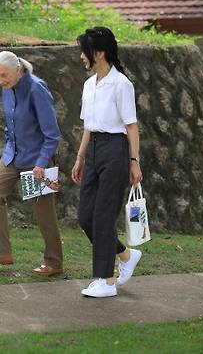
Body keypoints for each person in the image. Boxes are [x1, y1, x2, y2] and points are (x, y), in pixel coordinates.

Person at [0, 51, 63, 277]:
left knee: (43, 211)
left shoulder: (36, 89)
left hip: (37, 160)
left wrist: (42, 163)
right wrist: (8, 143)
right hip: (13, 156)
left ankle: (54, 262)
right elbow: (10, 123)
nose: (0, 80)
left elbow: (52, 134)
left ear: (18, 70)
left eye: (3, 75)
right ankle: (1, 253)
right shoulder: (8, 89)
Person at [71, 26, 143, 298]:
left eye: (84, 51)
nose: (81, 56)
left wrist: (134, 161)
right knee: (86, 217)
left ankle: (106, 281)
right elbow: (88, 126)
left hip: (115, 150)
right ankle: (125, 255)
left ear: (98, 53)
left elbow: (131, 127)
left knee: (102, 217)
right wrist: (80, 158)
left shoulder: (122, 84)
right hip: (93, 151)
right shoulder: (89, 85)